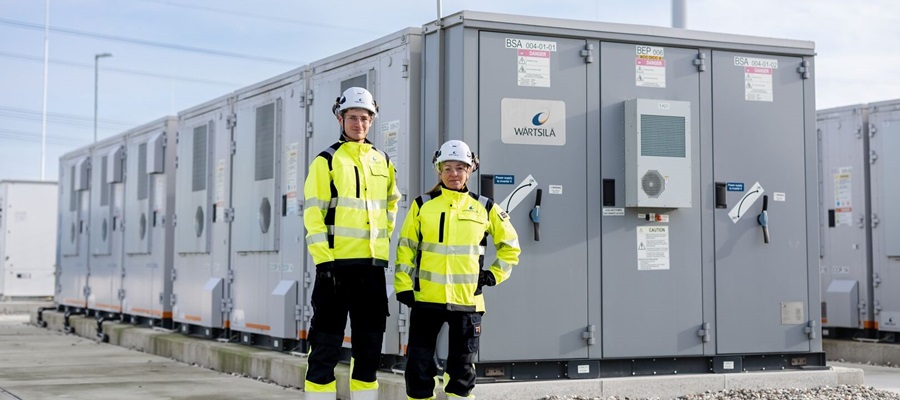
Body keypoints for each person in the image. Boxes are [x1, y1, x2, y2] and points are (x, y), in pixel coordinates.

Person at [394, 140, 521, 399]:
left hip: (467, 302)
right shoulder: (422, 205)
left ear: (470, 170)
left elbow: (511, 247)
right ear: (438, 171)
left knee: (462, 371)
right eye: (448, 168)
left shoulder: (485, 208)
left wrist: (493, 275)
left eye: (460, 168)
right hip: (426, 299)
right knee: (419, 367)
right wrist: (404, 286)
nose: (454, 174)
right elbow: (405, 248)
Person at [303, 87, 401, 400]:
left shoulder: (382, 160)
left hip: (370, 270)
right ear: (340, 118)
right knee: (325, 349)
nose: (359, 123)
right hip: (334, 271)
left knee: (369, 352)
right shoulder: (327, 161)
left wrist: (382, 244)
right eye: (353, 117)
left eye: (365, 117)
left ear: (372, 121)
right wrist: (324, 261)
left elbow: (391, 204)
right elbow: (313, 215)